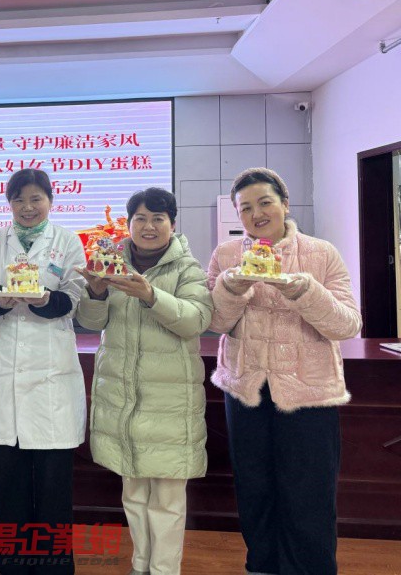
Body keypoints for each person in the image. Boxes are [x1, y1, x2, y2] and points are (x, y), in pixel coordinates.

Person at [207, 167, 362, 575]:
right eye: (245, 208)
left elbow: (347, 324)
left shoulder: (321, 253)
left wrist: (303, 290)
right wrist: (232, 286)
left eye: (265, 203)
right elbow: (216, 322)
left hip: (309, 392)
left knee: (309, 492)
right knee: (254, 487)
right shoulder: (226, 255)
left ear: (285, 204)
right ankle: (261, 565)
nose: (256, 214)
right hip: (246, 389)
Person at [75, 187, 212, 575]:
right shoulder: (111, 265)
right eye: (140, 218)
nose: (149, 226)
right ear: (129, 223)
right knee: (133, 493)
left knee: (167, 497)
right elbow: (92, 323)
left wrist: (151, 295)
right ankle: (140, 565)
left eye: (158, 219)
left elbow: (196, 321)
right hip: (123, 399)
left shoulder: (187, 269)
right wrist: (95, 292)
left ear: (172, 224)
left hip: (169, 402)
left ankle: (164, 569)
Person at [0, 168, 86, 575]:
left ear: (50, 200)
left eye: (36, 198)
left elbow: (73, 299)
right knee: (10, 480)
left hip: (52, 373)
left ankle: (54, 564)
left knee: (54, 482)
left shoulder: (67, 241)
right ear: (9, 203)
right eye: (19, 199)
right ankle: (13, 562)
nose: (27, 207)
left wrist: (43, 299)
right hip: (6, 368)